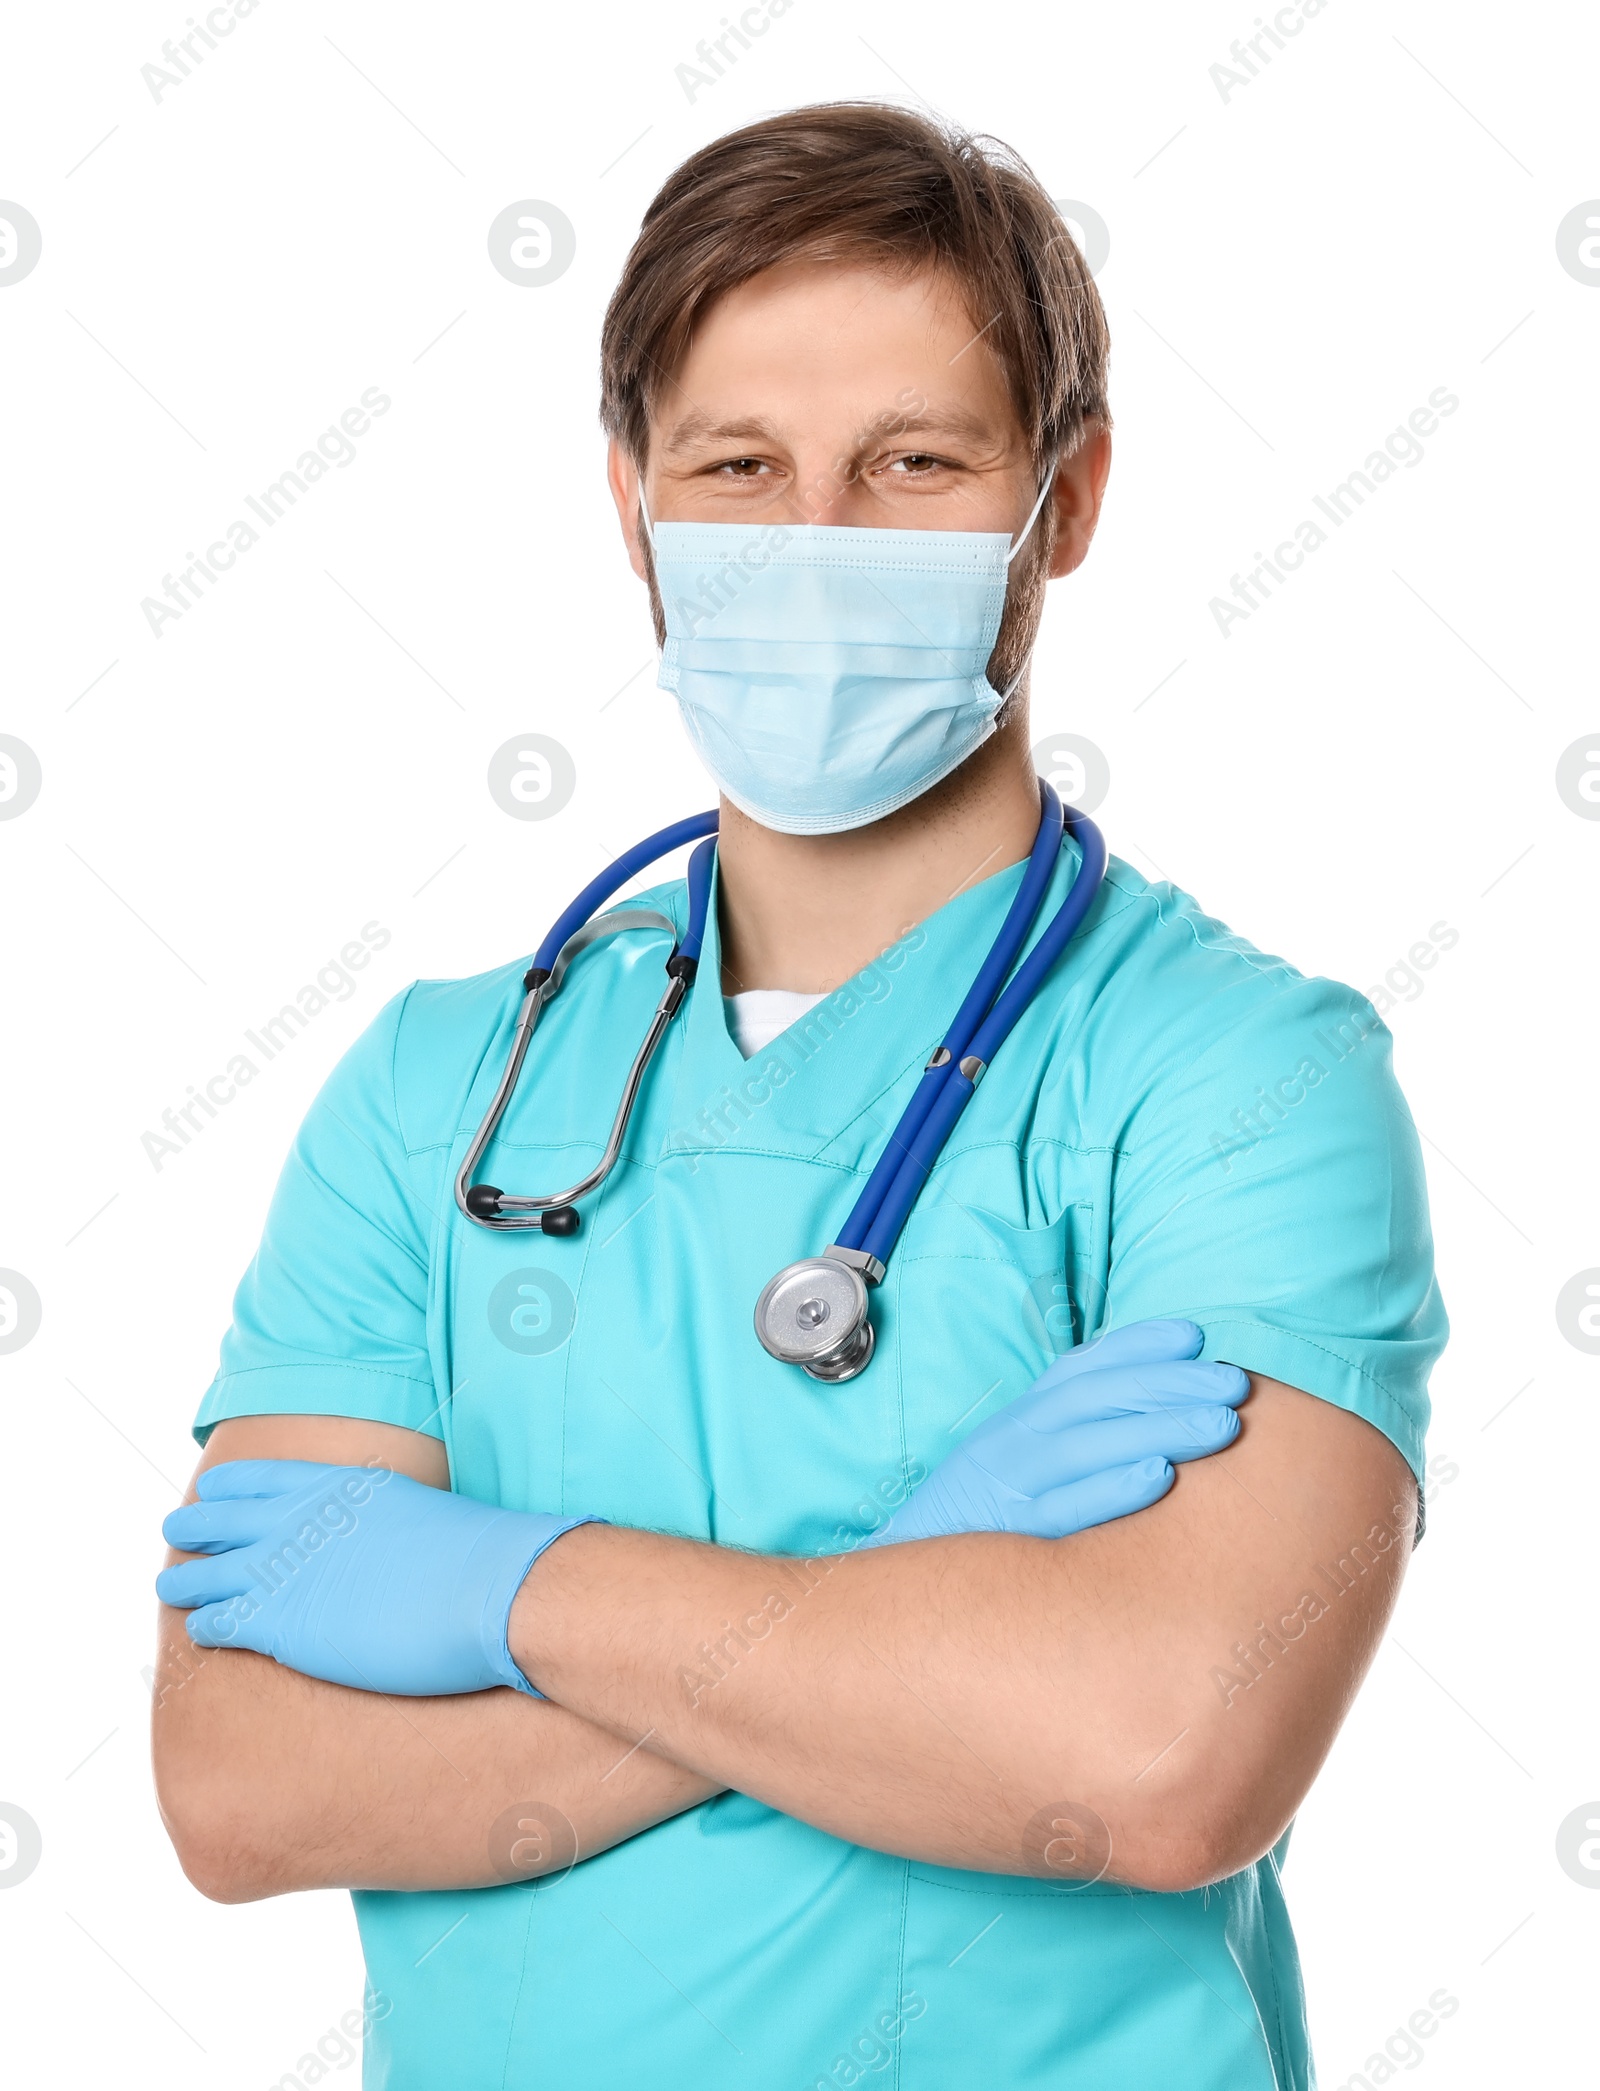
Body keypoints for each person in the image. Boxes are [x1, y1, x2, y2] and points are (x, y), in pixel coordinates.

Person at [152, 102, 1446, 2090]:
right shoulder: (444, 1087)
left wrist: (503, 1592)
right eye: (736, 465)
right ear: (630, 502)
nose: (812, 537)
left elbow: (1162, 1758)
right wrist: (887, 1626)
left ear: (1064, 498)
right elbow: (244, 1785)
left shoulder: (1235, 1075)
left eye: (911, 465)